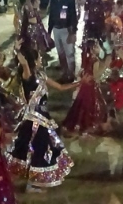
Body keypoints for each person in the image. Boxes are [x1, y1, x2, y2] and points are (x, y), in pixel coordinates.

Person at [7, 47, 76, 191]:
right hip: (33, 121)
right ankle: (32, 183)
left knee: (33, 149)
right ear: (32, 61)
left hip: (43, 119)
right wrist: (22, 58)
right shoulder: (28, 77)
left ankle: (30, 180)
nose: (40, 60)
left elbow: (61, 87)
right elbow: (25, 66)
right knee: (38, 149)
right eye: (38, 58)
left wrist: (80, 83)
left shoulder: (41, 75)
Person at [47, 0, 79, 82]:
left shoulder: (69, 0)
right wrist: (49, 31)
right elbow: (51, 16)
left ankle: (71, 74)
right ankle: (64, 71)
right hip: (56, 29)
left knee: (69, 53)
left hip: (66, 30)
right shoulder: (53, 0)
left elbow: (73, 17)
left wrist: (73, 32)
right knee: (60, 51)